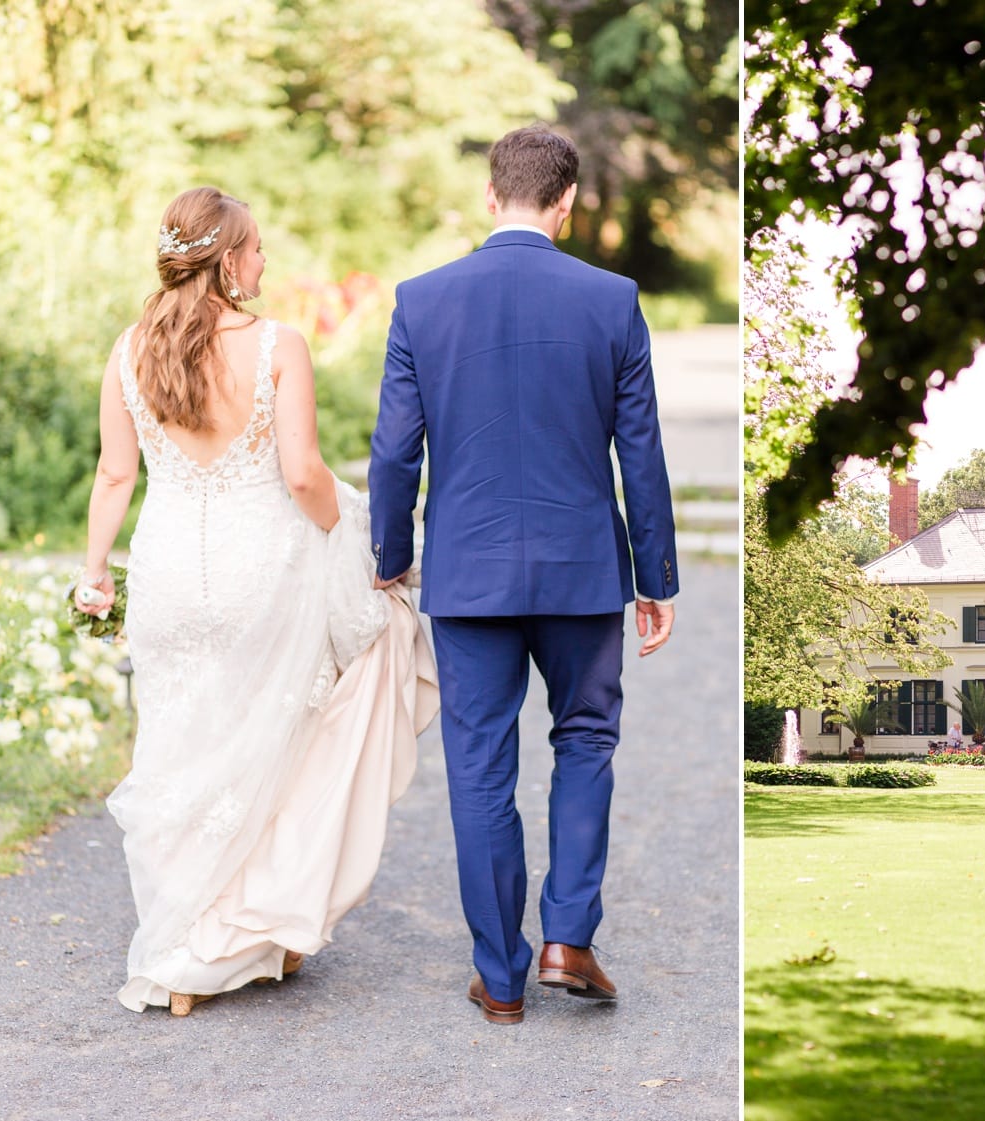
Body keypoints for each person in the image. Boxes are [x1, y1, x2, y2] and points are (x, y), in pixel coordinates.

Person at [77, 186, 438, 1015]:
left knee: (182, 746)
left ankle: (185, 946)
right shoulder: (277, 344)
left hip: (169, 572)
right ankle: (251, 930)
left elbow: (114, 475)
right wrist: (347, 541)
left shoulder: (129, 349)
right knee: (281, 741)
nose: (266, 261)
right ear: (227, 257)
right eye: (257, 248)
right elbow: (305, 475)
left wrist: (95, 573)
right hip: (261, 570)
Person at [369, 125, 678, 1026]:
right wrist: (654, 576)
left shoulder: (422, 302)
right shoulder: (613, 299)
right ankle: (567, 938)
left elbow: (395, 454)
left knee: (477, 768)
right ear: (568, 204)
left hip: (467, 575)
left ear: (489, 196)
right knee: (584, 740)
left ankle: (501, 976)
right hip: (584, 572)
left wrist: (391, 558)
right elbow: (642, 454)